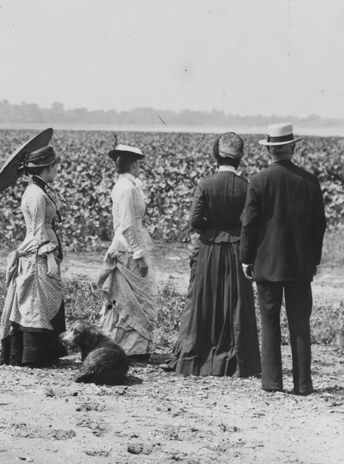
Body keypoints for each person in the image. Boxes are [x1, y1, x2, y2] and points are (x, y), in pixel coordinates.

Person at [240, 123, 326, 395]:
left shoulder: (259, 180)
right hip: (300, 265)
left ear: (270, 151)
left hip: (267, 264)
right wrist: (314, 259)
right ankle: (303, 384)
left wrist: (246, 257)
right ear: (293, 147)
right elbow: (319, 225)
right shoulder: (310, 181)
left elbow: (249, 225)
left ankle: (272, 382)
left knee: (269, 322)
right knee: (300, 323)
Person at [165, 133, 261, 377]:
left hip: (209, 248)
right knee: (235, 301)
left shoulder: (205, 184)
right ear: (239, 159)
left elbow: (194, 220)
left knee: (204, 298)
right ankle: (236, 361)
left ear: (216, 156)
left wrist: (210, 228)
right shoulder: (246, 186)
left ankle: (199, 357)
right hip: (236, 248)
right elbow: (250, 222)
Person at [0, 145, 68, 366]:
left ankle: (41, 354)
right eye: (56, 166)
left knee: (39, 301)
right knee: (37, 301)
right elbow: (38, 230)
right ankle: (34, 356)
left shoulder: (39, 189)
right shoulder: (36, 194)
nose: (57, 170)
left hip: (40, 249)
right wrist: (49, 257)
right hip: (38, 253)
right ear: (48, 167)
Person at [97, 144, 157, 359]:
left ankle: (130, 345)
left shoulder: (122, 185)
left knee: (130, 299)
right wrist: (140, 256)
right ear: (133, 164)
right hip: (129, 249)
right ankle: (132, 348)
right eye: (138, 163)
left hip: (126, 245)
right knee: (134, 300)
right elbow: (129, 225)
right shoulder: (128, 188)